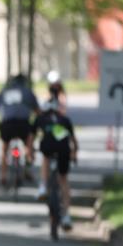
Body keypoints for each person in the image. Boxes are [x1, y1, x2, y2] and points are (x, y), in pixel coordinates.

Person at [34, 96, 78, 231]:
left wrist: (29, 152)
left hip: (48, 148)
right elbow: (73, 141)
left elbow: (31, 137)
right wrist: (74, 154)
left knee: (45, 157)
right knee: (63, 180)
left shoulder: (41, 119)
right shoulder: (65, 120)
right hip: (64, 150)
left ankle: (43, 186)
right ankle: (66, 215)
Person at [0, 73, 39, 187]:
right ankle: (28, 167)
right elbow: (38, 111)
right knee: (29, 143)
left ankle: (3, 176)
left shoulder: (4, 91)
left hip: (7, 124)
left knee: (4, 150)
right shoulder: (28, 92)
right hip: (23, 124)